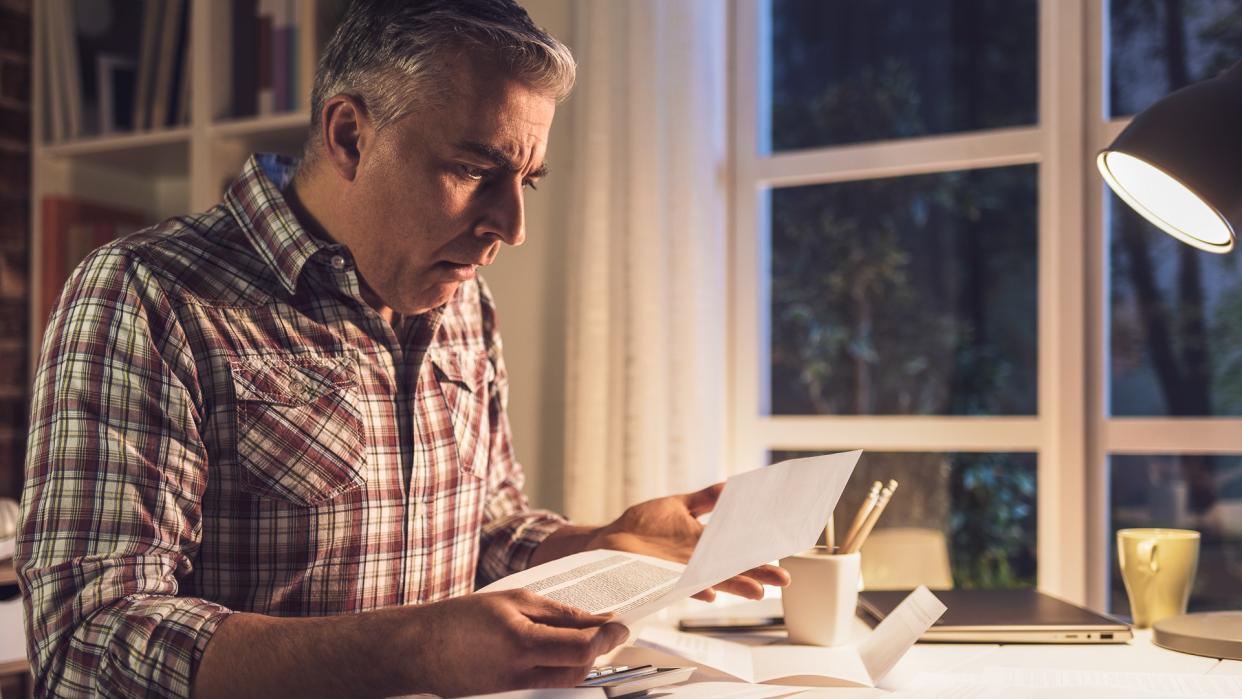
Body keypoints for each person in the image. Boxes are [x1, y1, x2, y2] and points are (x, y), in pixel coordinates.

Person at [16, 1, 788, 697]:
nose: (510, 226)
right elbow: (86, 641)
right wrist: (414, 649)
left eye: (528, 180)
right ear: (350, 135)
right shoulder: (146, 294)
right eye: (475, 168)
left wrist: (602, 539)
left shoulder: (462, 301)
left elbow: (483, 526)